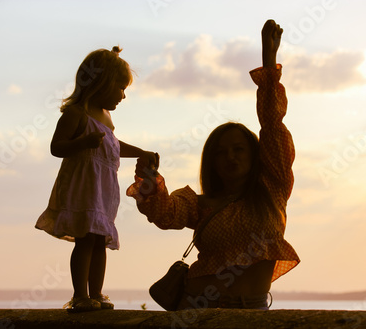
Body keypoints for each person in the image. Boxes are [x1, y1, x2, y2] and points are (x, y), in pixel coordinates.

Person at [127, 19, 300, 310]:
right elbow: (165, 212)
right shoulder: (201, 204)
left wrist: (268, 62)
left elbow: (272, 125)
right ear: (212, 161)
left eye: (238, 149)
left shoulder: (272, 190)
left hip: (253, 310)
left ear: (255, 155)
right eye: (221, 152)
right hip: (196, 310)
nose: (230, 157)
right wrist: (148, 179)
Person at [35, 46, 158, 312]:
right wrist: (82, 142)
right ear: (101, 83)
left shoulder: (106, 118)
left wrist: (141, 152)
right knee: (85, 239)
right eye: (120, 88)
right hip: (82, 187)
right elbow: (57, 147)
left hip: (102, 191)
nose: (123, 96)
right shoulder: (76, 114)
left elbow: (113, 145)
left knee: (99, 239)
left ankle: (97, 293)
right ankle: (80, 295)